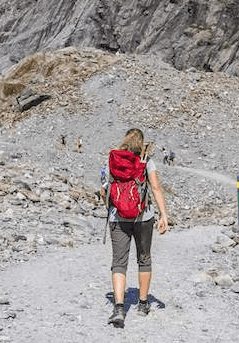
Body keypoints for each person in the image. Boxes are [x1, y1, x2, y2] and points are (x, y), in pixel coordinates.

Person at [102, 128, 168, 328]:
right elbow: (155, 187)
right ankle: (143, 302)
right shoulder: (146, 161)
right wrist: (164, 214)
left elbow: (104, 189)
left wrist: (115, 207)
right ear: (142, 142)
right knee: (144, 259)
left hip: (118, 218)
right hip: (143, 217)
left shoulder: (113, 160)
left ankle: (119, 308)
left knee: (119, 262)